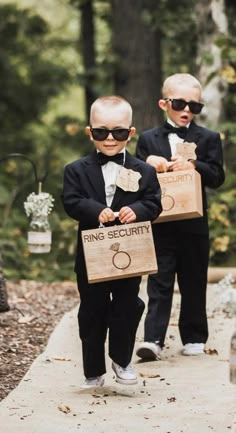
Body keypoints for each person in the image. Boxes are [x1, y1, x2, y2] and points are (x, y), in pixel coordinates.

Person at [62, 95, 162, 388]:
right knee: (91, 308)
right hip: (90, 254)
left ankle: (122, 359)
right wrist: (96, 211)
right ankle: (93, 370)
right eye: (100, 131)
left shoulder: (144, 170)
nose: (109, 139)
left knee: (127, 305)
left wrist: (138, 210)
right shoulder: (76, 170)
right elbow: (71, 201)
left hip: (130, 253)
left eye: (118, 132)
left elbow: (154, 202)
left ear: (130, 133)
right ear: (89, 131)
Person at [135, 73, 225, 360]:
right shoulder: (148, 139)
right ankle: (153, 339)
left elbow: (218, 177)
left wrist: (195, 165)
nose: (186, 111)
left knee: (194, 280)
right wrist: (148, 165)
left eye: (194, 106)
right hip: (161, 223)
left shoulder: (208, 138)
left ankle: (195, 336)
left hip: (194, 224)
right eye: (179, 104)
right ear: (164, 103)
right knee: (159, 283)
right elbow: (134, 180)